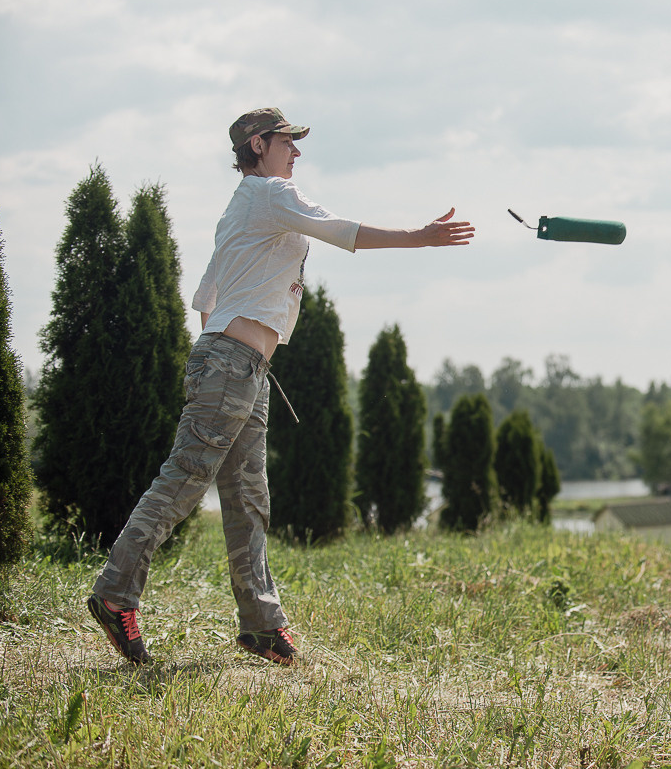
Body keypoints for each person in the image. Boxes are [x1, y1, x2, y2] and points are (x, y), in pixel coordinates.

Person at [87, 107, 474, 666]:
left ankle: (261, 625)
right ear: (259, 143)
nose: (297, 152)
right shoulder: (269, 194)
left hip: (242, 367)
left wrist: (235, 358)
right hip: (233, 367)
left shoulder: (243, 208)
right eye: (289, 141)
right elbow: (344, 233)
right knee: (185, 479)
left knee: (247, 499)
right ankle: (114, 593)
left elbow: (206, 300)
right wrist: (423, 237)